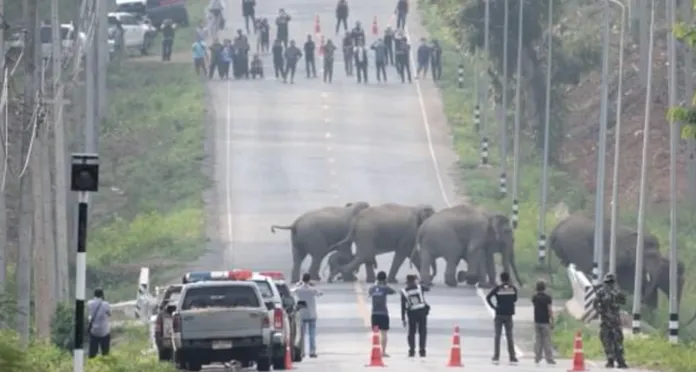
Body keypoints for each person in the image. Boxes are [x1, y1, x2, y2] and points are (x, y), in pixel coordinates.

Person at [593, 273, 628, 368]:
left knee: (613, 340)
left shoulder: (606, 291)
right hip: (610, 320)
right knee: (611, 339)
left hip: (611, 320)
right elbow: (595, 304)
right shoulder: (608, 291)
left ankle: (616, 360)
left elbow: (595, 304)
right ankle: (615, 360)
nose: (609, 284)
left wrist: (601, 311)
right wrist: (602, 311)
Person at [485, 272, 519, 364]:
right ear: (508, 279)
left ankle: (496, 356)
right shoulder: (513, 288)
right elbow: (515, 299)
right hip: (509, 314)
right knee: (509, 336)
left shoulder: (498, 288)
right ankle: (512, 357)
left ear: (501, 279)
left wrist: (493, 307)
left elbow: (488, 297)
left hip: (499, 313)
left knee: (497, 336)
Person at [292, 273, 322, 358]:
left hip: (302, 314)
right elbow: (320, 293)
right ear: (309, 279)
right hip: (312, 314)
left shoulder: (299, 289)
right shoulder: (312, 290)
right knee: (312, 334)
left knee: (302, 334)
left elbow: (291, 290)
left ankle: (302, 352)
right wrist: (313, 285)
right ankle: (312, 351)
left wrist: (298, 284)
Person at [400, 274, 429, 357]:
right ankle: (422, 350)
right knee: (422, 332)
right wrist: (420, 281)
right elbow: (428, 288)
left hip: (412, 313)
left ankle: (412, 350)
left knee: (411, 332)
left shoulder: (404, 291)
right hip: (422, 312)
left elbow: (402, 306)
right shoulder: (420, 287)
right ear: (414, 280)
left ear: (407, 282)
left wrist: (403, 318)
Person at [368, 271, 396, 357]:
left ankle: (375, 351)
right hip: (383, 313)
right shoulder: (385, 288)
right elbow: (393, 291)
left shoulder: (372, 288)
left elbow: (370, 294)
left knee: (375, 334)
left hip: (374, 314)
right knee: (384, 333)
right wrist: (385, 284)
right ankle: (383, 352)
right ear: (385, 279)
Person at [531, 279, 555, 365]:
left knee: (538, 340)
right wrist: (552, 320)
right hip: (545, 321)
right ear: (544, 288)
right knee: (547, 340)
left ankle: (537, 357)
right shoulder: (548, 298)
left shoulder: (534, 297)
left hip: (537, 321)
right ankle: (549, 358)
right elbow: (549, 310)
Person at [87, 288, 111, 358]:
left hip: (94, 332)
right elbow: (109, 314)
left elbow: (89, 314)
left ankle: (92, 363)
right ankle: (105, 361)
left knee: (92, 354)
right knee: (106, 353)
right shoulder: (106, 304)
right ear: (102, 295)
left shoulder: (90, 303)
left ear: (94, 295)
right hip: (104, 332)